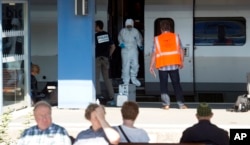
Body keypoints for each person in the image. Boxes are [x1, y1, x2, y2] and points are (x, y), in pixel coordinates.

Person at [149, 20, 187, 109]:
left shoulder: (157, 39)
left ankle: (166, 104)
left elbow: (154, 53)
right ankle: (181, 104)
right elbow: (181, 50)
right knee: (176, 84)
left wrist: (151, 65)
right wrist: (182, 61)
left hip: (162, 65)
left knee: (163, 85)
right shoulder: (176, 37)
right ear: (169, 28)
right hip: (174, 64)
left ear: (161, 29)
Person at [95, 20, 116, 103]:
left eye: (95, 26)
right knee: (107, 78)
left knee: (96, 78)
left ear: (98, 26)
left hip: (97, 59)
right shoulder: (106, 35)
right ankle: (111, 96)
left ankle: (98, 95)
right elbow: (113, 47)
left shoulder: (96, 36)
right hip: (105, 59)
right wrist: (109, 55)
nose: (94, 27)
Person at [118, 18, 143, 87]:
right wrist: (121, 43)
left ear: (132, 25)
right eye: (128, 25)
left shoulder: (135, 31)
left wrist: (140, 46)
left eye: (130, 25)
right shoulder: (122, 31)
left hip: (133, 49)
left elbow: (139, 39)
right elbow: (119, 38)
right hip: (125, 49)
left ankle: (133, 78)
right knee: (125, 65)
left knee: (135, 64)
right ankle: (125, 80)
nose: (129, 27)